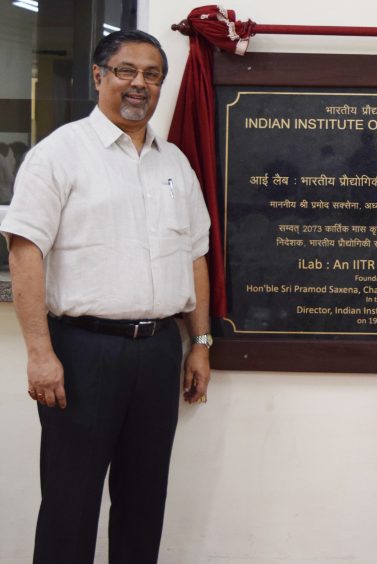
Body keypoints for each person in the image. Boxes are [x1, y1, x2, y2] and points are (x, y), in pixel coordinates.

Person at [1, 30, 212, 564]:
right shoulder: (59, 155)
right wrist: (40, 354)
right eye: (126, 71)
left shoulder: (175, 164)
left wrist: (200, 342)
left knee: (144, 502)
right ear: (99, 76)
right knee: (70, 507)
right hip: (82, 353)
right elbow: (26, 254)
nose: (139, 84)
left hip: (159, 349)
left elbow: (195, 257)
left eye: (152, 75)